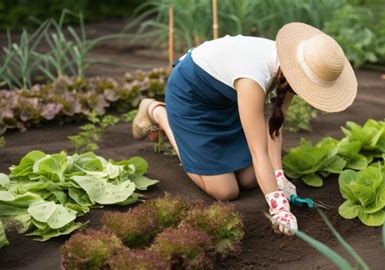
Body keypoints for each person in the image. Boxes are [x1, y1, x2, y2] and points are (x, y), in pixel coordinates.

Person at [132, 22, 357, 235]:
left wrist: (278, 178)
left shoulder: (291, 72)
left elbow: (274, 127)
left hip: (225, 101)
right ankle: (160, 114)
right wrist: (279, 207)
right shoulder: (254, 77)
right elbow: (259, 151)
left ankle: (189, 136)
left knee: (250, 179)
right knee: (226, 191)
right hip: (192, 98)